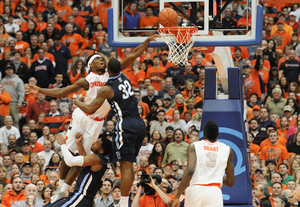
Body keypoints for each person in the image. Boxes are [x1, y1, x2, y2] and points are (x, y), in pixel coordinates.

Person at [27, 34, 158, 203]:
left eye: (103, 58)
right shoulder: (87, 80)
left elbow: (133, 56)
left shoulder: (111, 74)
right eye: (97, 59)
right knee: (69, 150)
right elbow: (61, 92)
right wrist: (39, 89)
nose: (101, 60)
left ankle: (63, 190)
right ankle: (60, 185)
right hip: (81, 116)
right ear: (90, 65)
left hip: (95, 122)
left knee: (79, 159)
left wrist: (146, 41)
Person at [73, 35, 158, 207]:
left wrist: (76, 101)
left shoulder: (107, 89)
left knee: (125, 166)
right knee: (130, 164)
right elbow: (134, 54)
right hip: (140, 122)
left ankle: (124, 203)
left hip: (125, 124)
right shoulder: (124, 75)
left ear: (107, 71)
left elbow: (90, 109)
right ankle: (127, 201)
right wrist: (148, 40)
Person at [171, 120, 235, 207]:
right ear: (218, 134)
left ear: (204, 133)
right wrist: (214, 176)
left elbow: (190, 170)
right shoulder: (227, 150)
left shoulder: (194, 146)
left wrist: (177, 196)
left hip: (195, 190)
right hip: (214, 192)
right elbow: (231, 182)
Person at [48, 132, 112, 207]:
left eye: (97, 142)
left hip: (81, 198)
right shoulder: (103, 161)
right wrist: (79, 144)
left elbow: (70, 161)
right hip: (81, 198)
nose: (94, 142)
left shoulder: (97, 159)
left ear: (101, 151)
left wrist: (62, 144)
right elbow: (84, 158)